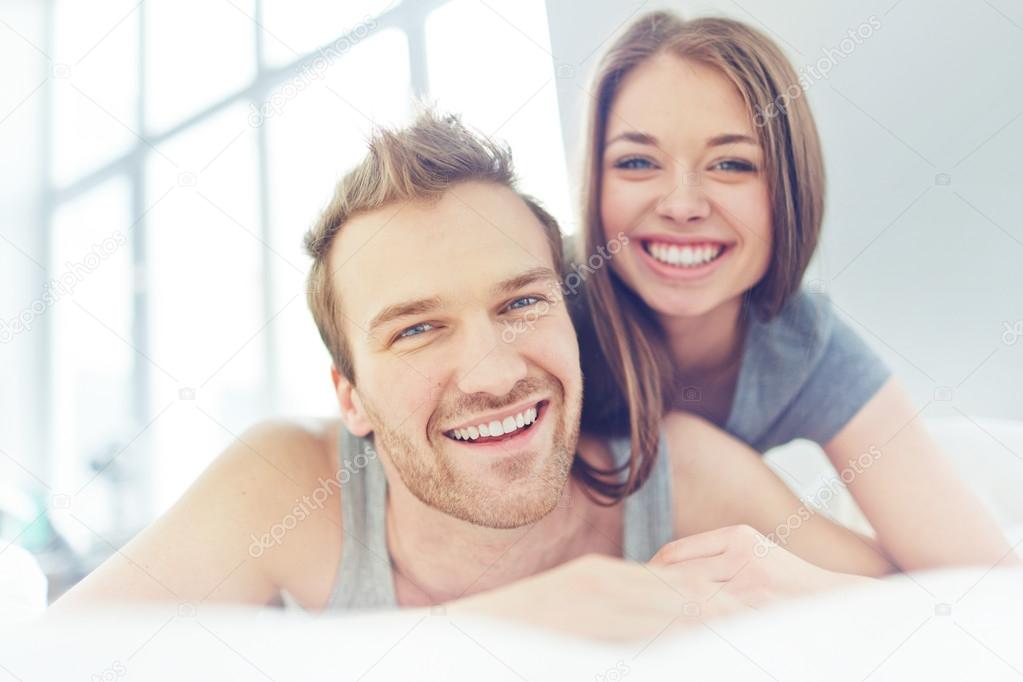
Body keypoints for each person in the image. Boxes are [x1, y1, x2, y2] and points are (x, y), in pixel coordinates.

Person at [52, 109, 888, 640]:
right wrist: (490, 633)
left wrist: (813, 596)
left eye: (522, 304)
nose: (490, 374)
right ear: (350, 397)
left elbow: (949, 617)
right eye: (417, 329)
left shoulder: (676, 474)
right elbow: (51, 660)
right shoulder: (287, 490)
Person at [572, 11, 1016, 572]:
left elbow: (983, 585)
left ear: (789, 189)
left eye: (731, 164)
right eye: (637, 162)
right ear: (594, 181)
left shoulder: (806, 346)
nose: (682, 205)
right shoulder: (545, 311)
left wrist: (806, 585)